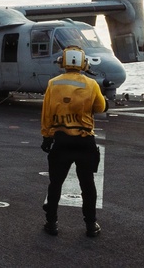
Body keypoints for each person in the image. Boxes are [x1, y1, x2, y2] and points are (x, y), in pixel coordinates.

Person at [40, 45, 107, 238]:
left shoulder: (53, 84)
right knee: (87, 184)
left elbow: (46, 114)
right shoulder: (91, 84)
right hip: (85, 141)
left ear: (62, 62)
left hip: (61, 141)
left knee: (56, 184)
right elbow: (101, 107)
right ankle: (91, 224)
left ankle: (51, 223)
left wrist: (46, 136)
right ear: (84, 63)